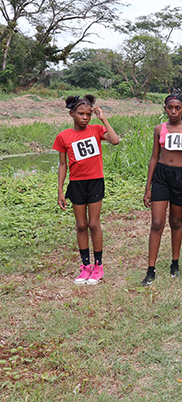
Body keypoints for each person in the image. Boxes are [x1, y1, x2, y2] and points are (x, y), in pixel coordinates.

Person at [54, 95, 120, 285]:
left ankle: (98, 266)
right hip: (76, 184)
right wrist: (60, 190)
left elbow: (115, 141)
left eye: (88, 114)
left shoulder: (97, 129)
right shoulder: (63, 136)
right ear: (71, 114)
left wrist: (104, 119)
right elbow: (62, 165)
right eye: (81, 114)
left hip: (95, 181)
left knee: (93, 224)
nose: (85, 117)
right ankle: (85, 267)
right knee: (81, 225)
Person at [141, 94, 182, 286]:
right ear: (165, 108)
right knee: (157, 222)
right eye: (170, 107)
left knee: (176, 221)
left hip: (180, 176)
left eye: (178, 108)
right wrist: (148, 187)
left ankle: (175, 263)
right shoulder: (159, 129)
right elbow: (153, 157)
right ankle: (151, 268)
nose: (173, 111)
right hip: (161, 176)